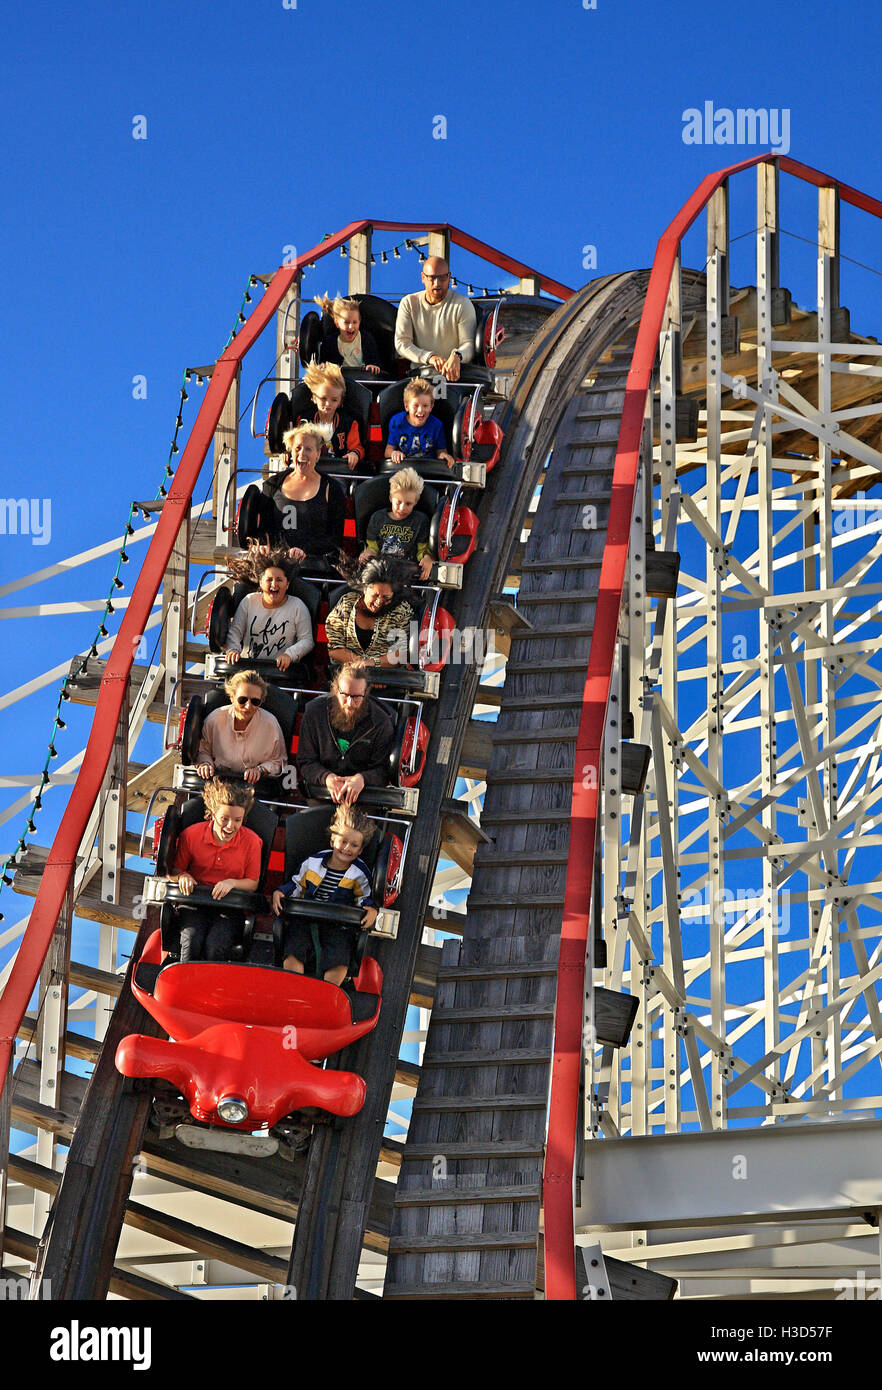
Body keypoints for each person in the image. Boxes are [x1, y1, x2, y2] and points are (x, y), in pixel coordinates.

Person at [272, 804, 378, 986]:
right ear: (332, 842)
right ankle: (292, 988)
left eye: (354, 845)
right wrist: (280, 892)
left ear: (360, 851)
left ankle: (327, 992)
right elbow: (296, 884)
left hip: (338, 924)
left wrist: (371, 910)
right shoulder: (312, 863)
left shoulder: (359, 874)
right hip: (306, 917)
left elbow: (365, 899)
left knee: (339, 954)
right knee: (294, 947)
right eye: (343, 842)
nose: (346, 848)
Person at [169, 778, 262, 963]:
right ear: (212, 814)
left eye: (237, 820)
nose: (230, 826)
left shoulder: (252, 842)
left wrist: (232, 883)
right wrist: (183, 876)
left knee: (216, 946)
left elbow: (252, 883)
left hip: (229, 906)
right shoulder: (192, 835)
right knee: (191, 941)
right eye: (224, 819)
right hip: (196, 901)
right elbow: (175, 870)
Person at [296, 663, 394, 804]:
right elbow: (306, 761)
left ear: (366, 694)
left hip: (363, 797)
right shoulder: (314, 712)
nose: (349, 702)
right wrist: (326, 777)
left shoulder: (381, 722)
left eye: (356, 697)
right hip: (322, 792)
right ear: (336, 690)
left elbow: (383, 770)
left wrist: (362, 779)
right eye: (345, 695)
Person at [261, 424, 346, 567]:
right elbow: (264, 527)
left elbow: (334, 539)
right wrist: (264, 545)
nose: (302, 454)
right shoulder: (272, 485)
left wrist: (305, 551)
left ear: (318, 454)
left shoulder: (332, 488)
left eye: (308, 449)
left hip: (313, 564)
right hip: (276, 564)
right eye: (298, 448)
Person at [225, 548, 314, 674]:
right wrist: (233, 649)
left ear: (287, 584)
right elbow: (235, 631)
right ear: (260, 583)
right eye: (269, 580)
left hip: (280, 672)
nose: (274, 585)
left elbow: (307, 641)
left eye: (279, 580)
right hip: (247, 670)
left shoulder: (297, 606)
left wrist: (289, 655)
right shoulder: (249, 601)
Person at [394, 256, 476, 382]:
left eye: (442, 278)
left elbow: (469, 344)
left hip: (453, 378)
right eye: (432, 278)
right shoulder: (409, 303)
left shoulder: (463, 304)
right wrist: (429, 357)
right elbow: (402, 343)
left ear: (449, 277)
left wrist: (457, 356)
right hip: (419, 377)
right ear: (423, 277)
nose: (437, 283)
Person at [196, 669, 286, 785]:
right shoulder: (214, 720)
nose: (248, 706)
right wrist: (206, 764)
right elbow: (202, 750)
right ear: (232, 697)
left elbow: (279, 762)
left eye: (255, 701)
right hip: (219, 783)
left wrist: (261, 770)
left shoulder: (271, 724)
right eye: (242, 700)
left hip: (255, 787)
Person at [325, 556, 413, 669]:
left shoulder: (402, 611)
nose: (379, 601)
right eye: (375, 595)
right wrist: (361, 665)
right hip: (347, 674)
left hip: (387, 676)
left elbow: (401, 654)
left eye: (386, 597)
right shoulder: (347, 604)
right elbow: (334, 649)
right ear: (365, 589)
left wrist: (373, 664)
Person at [360, 467, 433, 580]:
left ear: (416, 502)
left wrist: (428, 558)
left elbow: (422, 550)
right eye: (398, 502)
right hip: (381, 571)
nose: (402, 508)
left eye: (408, 504)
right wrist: (368, 552)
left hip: (407, 572)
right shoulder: (377, 518)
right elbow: (372, 546)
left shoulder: (420, 521)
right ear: (390, 498)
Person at [296, 361, 365, 472]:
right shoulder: (304, 420)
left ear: (340, 402)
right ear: (314, 398)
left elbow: (357, 447)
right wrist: (288, 451)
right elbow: (297, 444)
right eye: (323, 398)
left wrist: (354, 454)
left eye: (334, 400)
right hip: (309, 469)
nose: (328, 404)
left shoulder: (349, 423)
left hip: (337, 472)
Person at [385, 378, 455, 467]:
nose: (420, 410)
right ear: (407, 406)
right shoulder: (397, 421)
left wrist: (443, 455)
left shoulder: (436, 425)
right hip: (404, 468)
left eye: (425, 406)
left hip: (428, 469)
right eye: (416, 405)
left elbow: (441, 451)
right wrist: (394, 454)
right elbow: (388, 451)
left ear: (431, 406)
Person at [314, 293, 382, 375]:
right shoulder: (329, 342)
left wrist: (373, 366)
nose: (351, 327)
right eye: (346, 322)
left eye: (355, 322)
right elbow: (324, 363)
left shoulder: (366, 338)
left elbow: (375, 360)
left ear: (359, 322)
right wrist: (324, 366)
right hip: (339, 382)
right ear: (337, 323)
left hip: (363, 381)